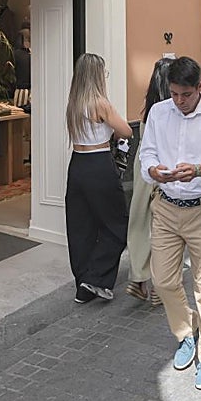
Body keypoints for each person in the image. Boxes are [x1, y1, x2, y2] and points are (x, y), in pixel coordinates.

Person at [138, 56, 201, 391]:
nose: (179, 101)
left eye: (186, 95)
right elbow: (146, 153)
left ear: (200, 88)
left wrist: (198, 169)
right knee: (163, 279)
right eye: (174, 94)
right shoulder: (158, 112)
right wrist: (153, 170)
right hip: (166, 208)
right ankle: (186, 333)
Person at [64, 53, 132, 304]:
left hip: (77, 166)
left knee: (81, 227)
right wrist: (113, 133)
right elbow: (125, 130)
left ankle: (83, 285)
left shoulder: (73, 103)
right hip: (99, 165)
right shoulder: (100, 103)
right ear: (96, 75)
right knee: (117, 224)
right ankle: (96, 278)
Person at [124, 58, 172, 305]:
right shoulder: (173, 111)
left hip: (143, 166)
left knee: (140, 219)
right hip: (165, 169)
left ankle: (138, 276)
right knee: (164, 227)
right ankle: (157, 285)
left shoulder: (149, 108)